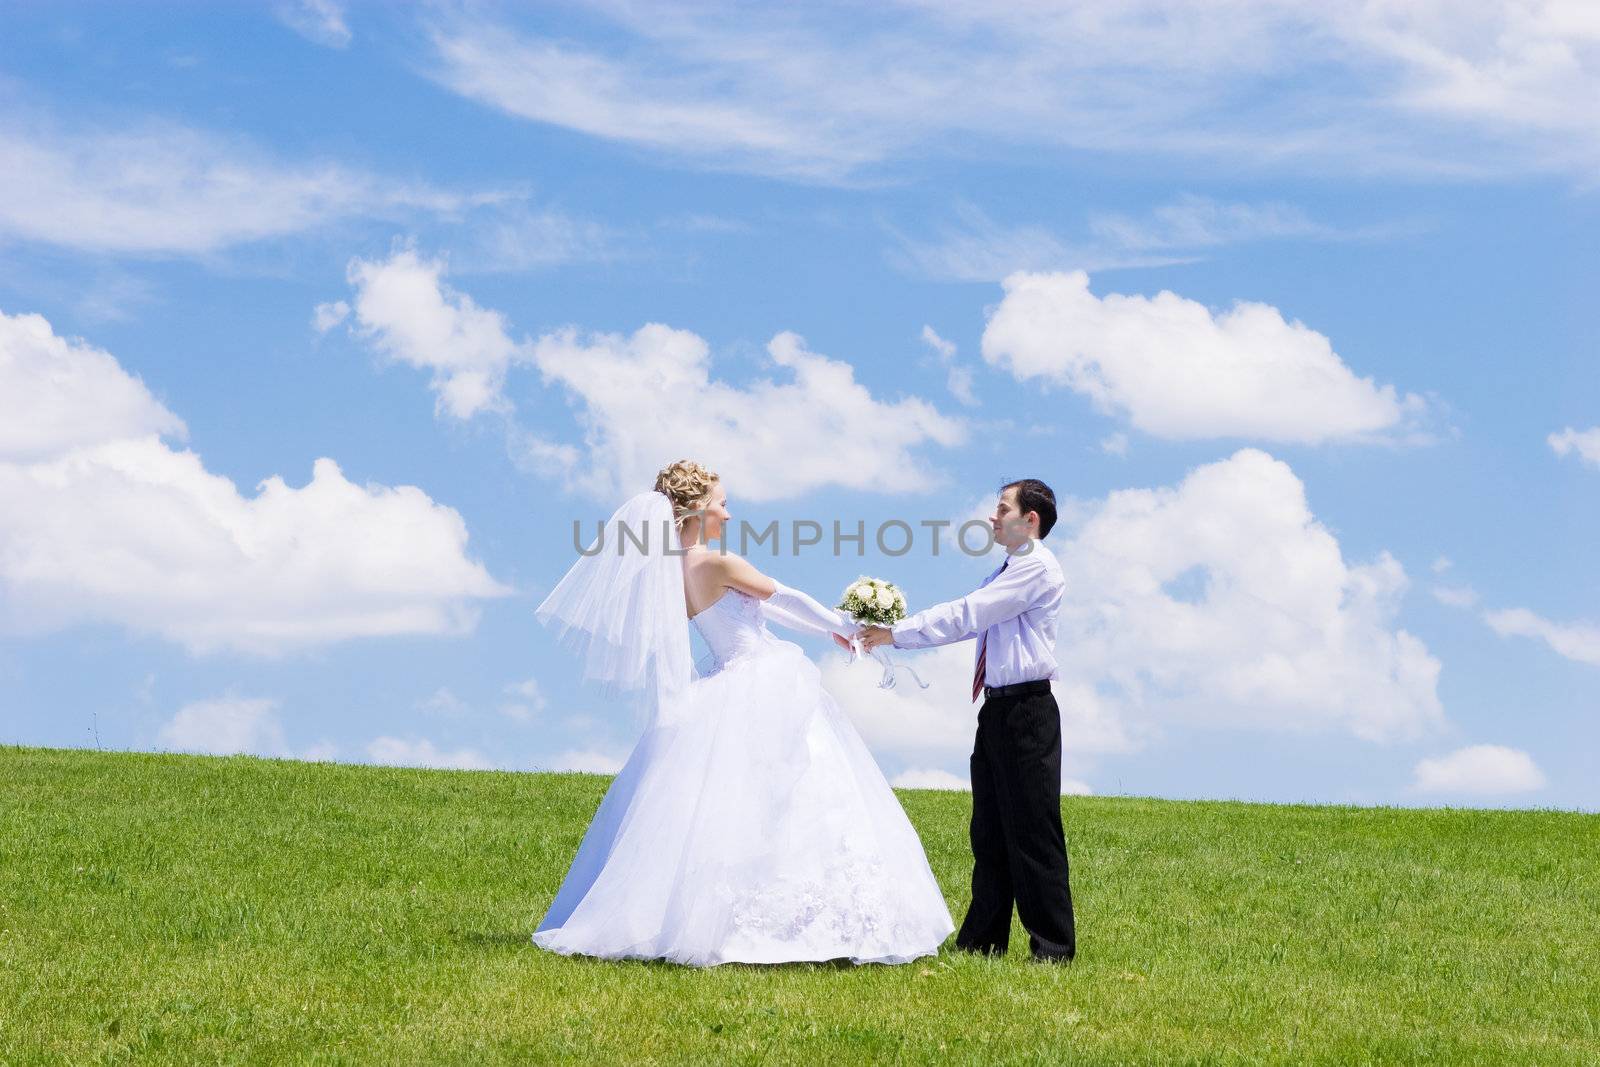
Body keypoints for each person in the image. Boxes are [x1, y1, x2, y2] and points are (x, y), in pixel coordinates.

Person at [531, 459, 954, 966]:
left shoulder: (674, 571)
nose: (728, 515)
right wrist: (844, 623)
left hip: (724, 682)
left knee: (723, 805)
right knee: (801, 789)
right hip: (760, 677)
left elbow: (763, 609)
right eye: (721, 504)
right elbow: (784, 597)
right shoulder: (717, 563)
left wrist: (832, 632)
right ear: (697, 511)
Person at [859, 478, 1075, 962]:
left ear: (1030, 519)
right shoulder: (1007, 568)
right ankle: (982, 943)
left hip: (1028, 711)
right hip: (997, 708)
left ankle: (1053, 949)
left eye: (1002, 508)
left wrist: (894, 633)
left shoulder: (1035, 569)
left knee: (1034, 833)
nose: (992, 518)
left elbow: (967, 615)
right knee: (990, 830)